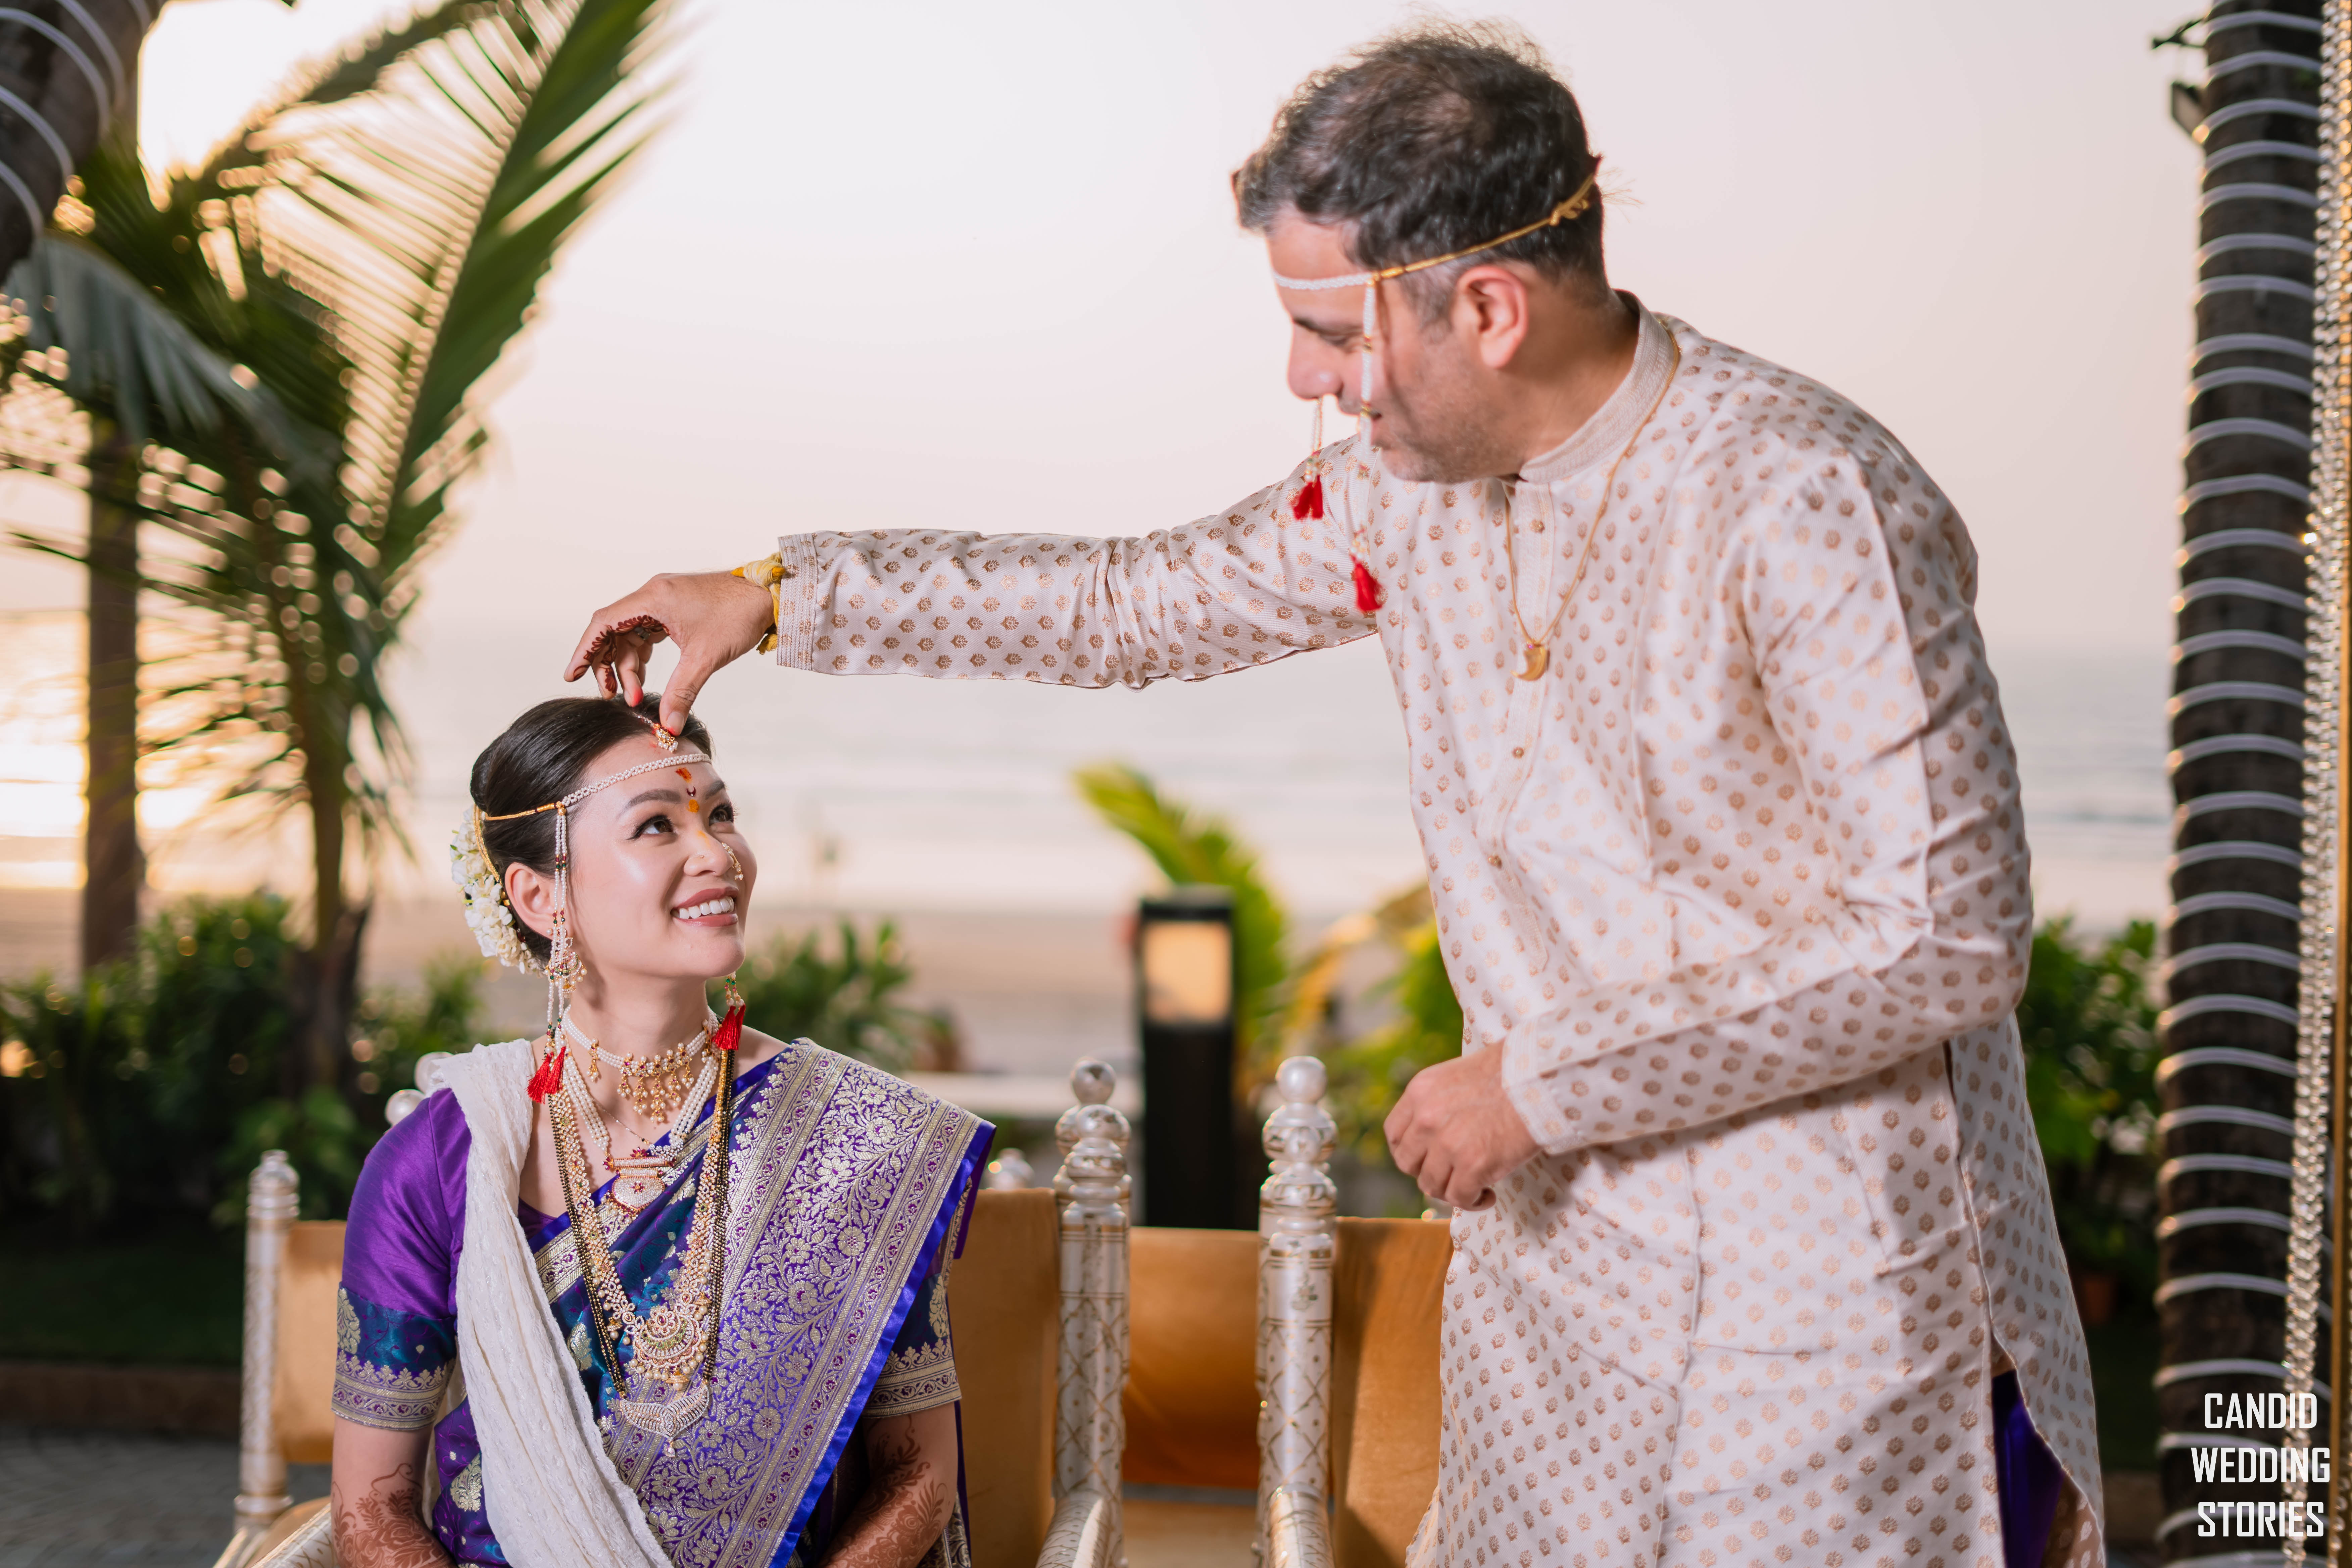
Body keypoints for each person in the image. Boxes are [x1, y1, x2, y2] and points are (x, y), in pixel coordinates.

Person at [564, 23, 2097, 1568]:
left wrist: (1542, 1083)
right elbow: (1129, 607)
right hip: (1561, 1316)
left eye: (1329, 332)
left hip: (1832, 1319)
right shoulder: (1399, 501)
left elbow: (1945, 934)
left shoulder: (1807, 498)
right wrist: (782, 596)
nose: (1305, 379)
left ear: (1488, 308)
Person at [328, 694, 990, 1568]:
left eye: (721, 815)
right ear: (540, 895)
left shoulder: (858, 1140)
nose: (718, 854)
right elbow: (369, 1509)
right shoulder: (444, 1160)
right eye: (656, 826)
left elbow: (919, 1476)